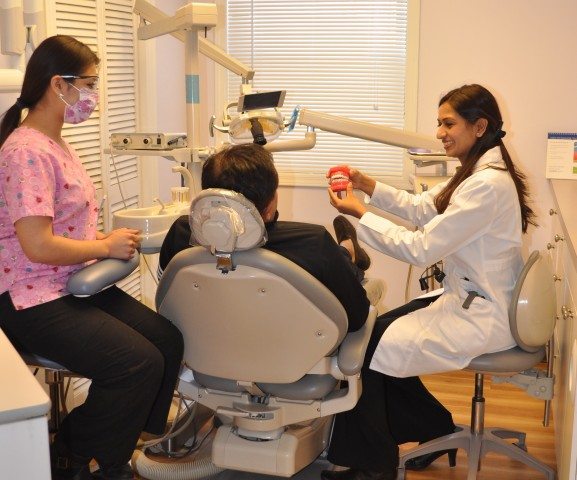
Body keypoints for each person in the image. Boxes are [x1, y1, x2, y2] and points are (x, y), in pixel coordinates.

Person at [323, 84, 535, 480]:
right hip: (468, 296)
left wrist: (360, 213)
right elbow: (424, 207)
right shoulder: (473, 172)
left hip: (482, 314)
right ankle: (433, 426)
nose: (440, 132)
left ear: (479, 126)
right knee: (371, 333)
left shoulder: (485, 185)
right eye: (439, 123)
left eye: (448, 123)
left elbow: (420, 248)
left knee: (363, 353)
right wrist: (368, 185)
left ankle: (373, 466)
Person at [0, 35, 184, 480]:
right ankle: (80, 456)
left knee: (167, 341)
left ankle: (112, 440)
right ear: (57, 84)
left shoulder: (56, 142)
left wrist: (99, 237)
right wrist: (103, 247)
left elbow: (62, 225)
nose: (94, 95)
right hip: (31, 297)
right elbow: (37, 245)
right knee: (136, 363)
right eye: (89, 83)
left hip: (70, 281)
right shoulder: (25, 151)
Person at [159, 143, 370, 332]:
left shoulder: (181, 234)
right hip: (295, 361)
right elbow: (357, 317)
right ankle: (348, 250)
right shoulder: (313, 243)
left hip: (210, 360)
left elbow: (169, 299)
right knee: (342, 265)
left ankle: (345, 251)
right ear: (269, 207)